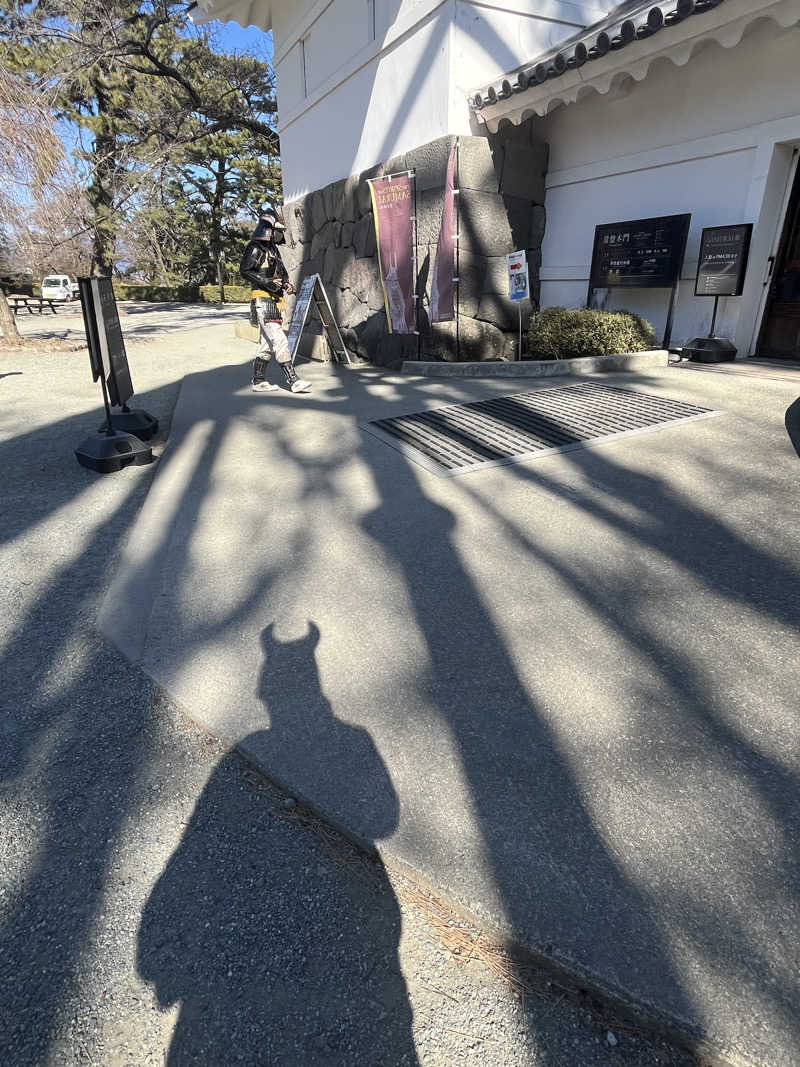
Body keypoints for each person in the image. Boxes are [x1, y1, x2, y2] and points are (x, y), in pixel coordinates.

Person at [239, 207, 311, 393]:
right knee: (279, 339)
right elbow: (246, 270)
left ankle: (258, 381)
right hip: (263, 300)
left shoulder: (273, 250)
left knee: (266, 344)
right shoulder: (255, 247)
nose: (278, 233)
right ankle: (293, 380)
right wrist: (269, 283)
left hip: (274, 300)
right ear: (268, 229)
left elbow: (281, 273)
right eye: (276, 230)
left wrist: (285, 284)